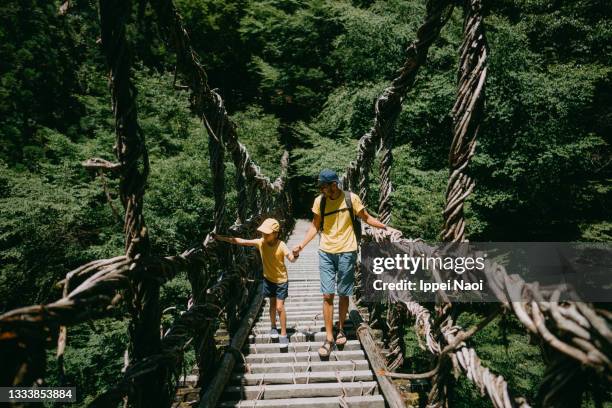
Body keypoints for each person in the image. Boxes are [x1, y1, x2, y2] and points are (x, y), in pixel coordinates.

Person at [292, 169, 388, 358]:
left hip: (347, 250)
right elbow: (315, 225)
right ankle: (329, 338)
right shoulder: (320, 201)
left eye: (323, 186)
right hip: (326, 251)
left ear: (334, 185)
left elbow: (366, 218)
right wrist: (301, 245)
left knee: (344, 293)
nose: (321, 189)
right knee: (327, 295)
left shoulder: (351, 199)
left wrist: (385, 227)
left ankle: (341, 328)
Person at [213, 218, 297, 348]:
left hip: (281, 280)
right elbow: (241, 241)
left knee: (280, 307)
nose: (264, 235)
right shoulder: (260, 242)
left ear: (276, 233)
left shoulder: (281, 245)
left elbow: (291, 258)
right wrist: (222, 238)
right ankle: (273, 327)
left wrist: (295, 254)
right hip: (268, 279)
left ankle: (284, 334)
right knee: (272, 304)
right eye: (263, 233)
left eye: (267, 233)